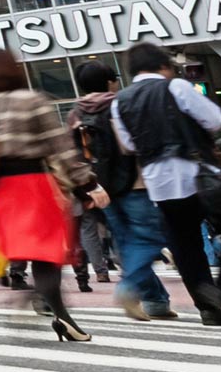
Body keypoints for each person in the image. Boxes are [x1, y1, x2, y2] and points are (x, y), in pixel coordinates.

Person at [0, 47, 104, 344]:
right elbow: (59, 147)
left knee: (26, 247)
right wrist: (87, 184)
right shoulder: (32, 100)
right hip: (34, 182)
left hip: (0, 188)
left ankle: (55, 312)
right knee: (47, 252)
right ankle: (55, 312)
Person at [115, 41, 221, 327]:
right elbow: (214, 119)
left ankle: (207, 308)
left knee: (185, 243)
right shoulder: (175, 87)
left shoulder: (121, 100)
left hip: (158, 181)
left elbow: (128, 144)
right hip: (197, 173)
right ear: (163, 65)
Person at [72, 61, 175, 322]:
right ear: (109, 82)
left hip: (100, 188)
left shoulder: (76, 113)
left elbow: (74, 155)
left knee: (129, 243)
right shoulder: (120, 103)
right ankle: (129, 287)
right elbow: (133, 145)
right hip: (134, 182)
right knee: (150, 238)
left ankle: (156, 301)